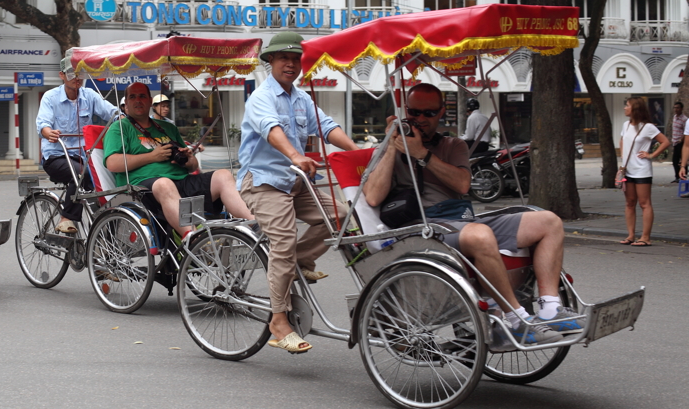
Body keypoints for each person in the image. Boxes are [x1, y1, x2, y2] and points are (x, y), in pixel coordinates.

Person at [363, 82, 583, 345]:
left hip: (463, 220)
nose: (420, 119)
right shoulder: (390, 147)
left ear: (442, 113)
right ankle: (515, 319)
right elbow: (373, 196)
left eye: (429, 113)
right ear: (404, 112)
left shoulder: (453, 145)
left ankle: (549, 309)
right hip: (423, 228)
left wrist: (422, 153)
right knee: (480, 235)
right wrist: (391, 145)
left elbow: (462, 185)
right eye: (414, 113)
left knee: (549, 221)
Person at [238, 32, 357, 354]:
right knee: (283, 239)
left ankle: (300, 260)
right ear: (272, 63)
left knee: (342, 216)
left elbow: (328, 128)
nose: (290, 64)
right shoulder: (261, 98)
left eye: (295, 59)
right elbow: (272, 130)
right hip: (263, 181)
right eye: (283, 58)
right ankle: (278, 321)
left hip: (296, 181)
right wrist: (295, 155)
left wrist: (359, 154)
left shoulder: (301, 98)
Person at [104, 81, 253, 239]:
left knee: (223, 175)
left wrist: (189, 159)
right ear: (126, 103)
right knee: (164, 183)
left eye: (142, 96)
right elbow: (112, 163)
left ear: (149, 101)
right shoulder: (119, 128)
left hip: (181, 181)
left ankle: (255, 227)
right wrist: (152, 156)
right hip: (143, 190)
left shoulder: (167, 127)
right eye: (133, 97)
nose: (138, 100)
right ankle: (195, 240)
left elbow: (192, 165)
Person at [36, 58, 118, 233]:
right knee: (81, 173)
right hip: (56, 156)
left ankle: (102, 230)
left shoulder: (89, 96)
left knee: (111, 174)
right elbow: (43, 123)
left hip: (84, 157)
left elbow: (111, 112)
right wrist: (47, 131)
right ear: (62, 76)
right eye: (72, 74)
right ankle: (67, 218)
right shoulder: (50, 97)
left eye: (80, 74)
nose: (77, 78)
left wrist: (125, 119)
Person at [618, 96, 669, 247]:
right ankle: (631, 235)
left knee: (644, 203)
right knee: (629, 203)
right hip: (627, 170)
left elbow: (665, 141)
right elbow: (622, 140)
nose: (624, 108)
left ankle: (645, 237)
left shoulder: (647, 127)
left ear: (635, 109)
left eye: (627, 106)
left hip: (642, 170)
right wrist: (623, 156)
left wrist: (651, 155)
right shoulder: (625, 125)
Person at [670, 101, 686, 182]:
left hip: (681, 142)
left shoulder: (684, 119)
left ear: (681, 109)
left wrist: (681, 139)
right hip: (675, 141)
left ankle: (683, 176)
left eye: (678, 108)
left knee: (682, 160)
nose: (676, 109)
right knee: (675, 161)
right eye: (675, 108)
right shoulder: (674, 117)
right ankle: (677, 177)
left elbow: (685, 131)